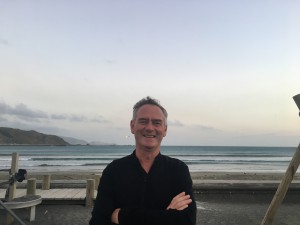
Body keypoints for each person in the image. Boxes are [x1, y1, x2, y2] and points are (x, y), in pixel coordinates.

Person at [89, 96, 196, 225]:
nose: (150, 128)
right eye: (143, 121)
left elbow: (187, 221)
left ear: (165, 129)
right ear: (132, 126)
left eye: (156, 123)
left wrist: (123, 216)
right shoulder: (114, 170)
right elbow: (97, 221)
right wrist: (167, 216)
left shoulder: (178, 170)